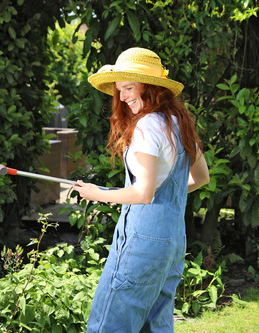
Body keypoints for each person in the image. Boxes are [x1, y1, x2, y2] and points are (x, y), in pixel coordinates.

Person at [73, 47, 210, 332]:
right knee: (155, 325)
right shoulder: (179, 123)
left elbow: (143, 193)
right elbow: (200, 178)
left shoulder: (147, 125)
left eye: (128, 87)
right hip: (172, 244)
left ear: (150, 88)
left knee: (108, 325)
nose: (122, 97)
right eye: (119, 90)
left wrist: (96, 193)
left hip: (142, 244)